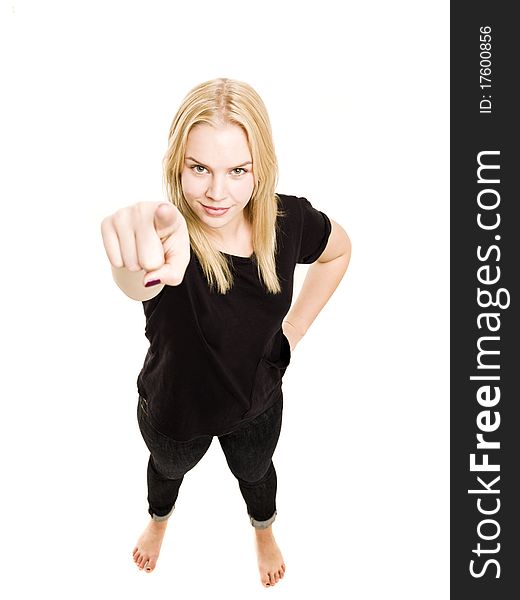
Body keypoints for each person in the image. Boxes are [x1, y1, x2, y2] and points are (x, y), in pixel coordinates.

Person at [100, 77, 351, 587]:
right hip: (173, 411)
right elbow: (138, 278)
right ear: (178, 166)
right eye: (200, 169)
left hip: (257, 402)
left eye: (239, 170)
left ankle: (262, 529)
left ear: (262, 167)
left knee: (257, 475)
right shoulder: (168, 239)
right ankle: (159, 521)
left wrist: (293, 331)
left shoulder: (289, 221)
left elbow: (339, 251)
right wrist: (133, 254)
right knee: (166, 473)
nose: (218, 193)